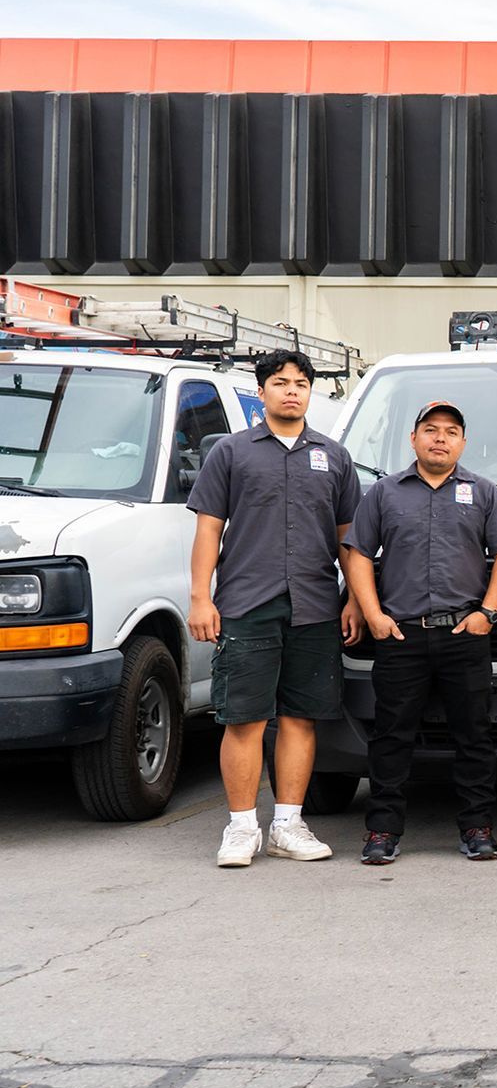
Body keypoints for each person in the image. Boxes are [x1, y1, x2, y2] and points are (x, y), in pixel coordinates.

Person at [187, 350, 363, 868]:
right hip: (246, 602)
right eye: (281, 382)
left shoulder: (333, 456)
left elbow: (347, 538)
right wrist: (201, 597)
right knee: (242, 719)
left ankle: (288, 822)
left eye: (301, 383)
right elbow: (207, 529)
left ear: (311, 393)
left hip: (314, 605)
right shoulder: (231, 453)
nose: (292, 390)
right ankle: (242, 827)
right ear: (261, 392)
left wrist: (354, 598)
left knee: (301, 718)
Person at [344, 401, 497, 865]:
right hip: (400, 636)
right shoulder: (384, 494)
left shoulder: (482, 492)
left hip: (464, 634)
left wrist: (488, 612)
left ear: (463, 443)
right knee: (391, 737)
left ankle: (477, 827)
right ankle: (382, 831)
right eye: (430, 430)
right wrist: (373, 613)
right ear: (414, 438)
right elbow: (359, 554)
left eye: (450, 432)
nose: (439, 438)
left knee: (474, 735)